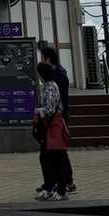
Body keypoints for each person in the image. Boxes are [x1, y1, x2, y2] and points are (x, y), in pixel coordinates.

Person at [39, 45, 76, 193]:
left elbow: (59, 102)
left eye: (42, 58)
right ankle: (54, 182)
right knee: (53, 153)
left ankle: (66, 182)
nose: (41, 60)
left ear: (48, 59)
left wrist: (42, 113)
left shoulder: (59, 76)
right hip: (54, 119)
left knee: (59, 153)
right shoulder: (54, 74)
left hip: (57, 120)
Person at [34, 60, 71, 200]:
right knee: (46, 158)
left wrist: (38, 111)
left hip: (52, 127)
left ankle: (60, 190)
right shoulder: (48, 86)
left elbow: (49, 109)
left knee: (54, 158)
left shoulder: (49, 87)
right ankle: (49, 186)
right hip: (50, 127)